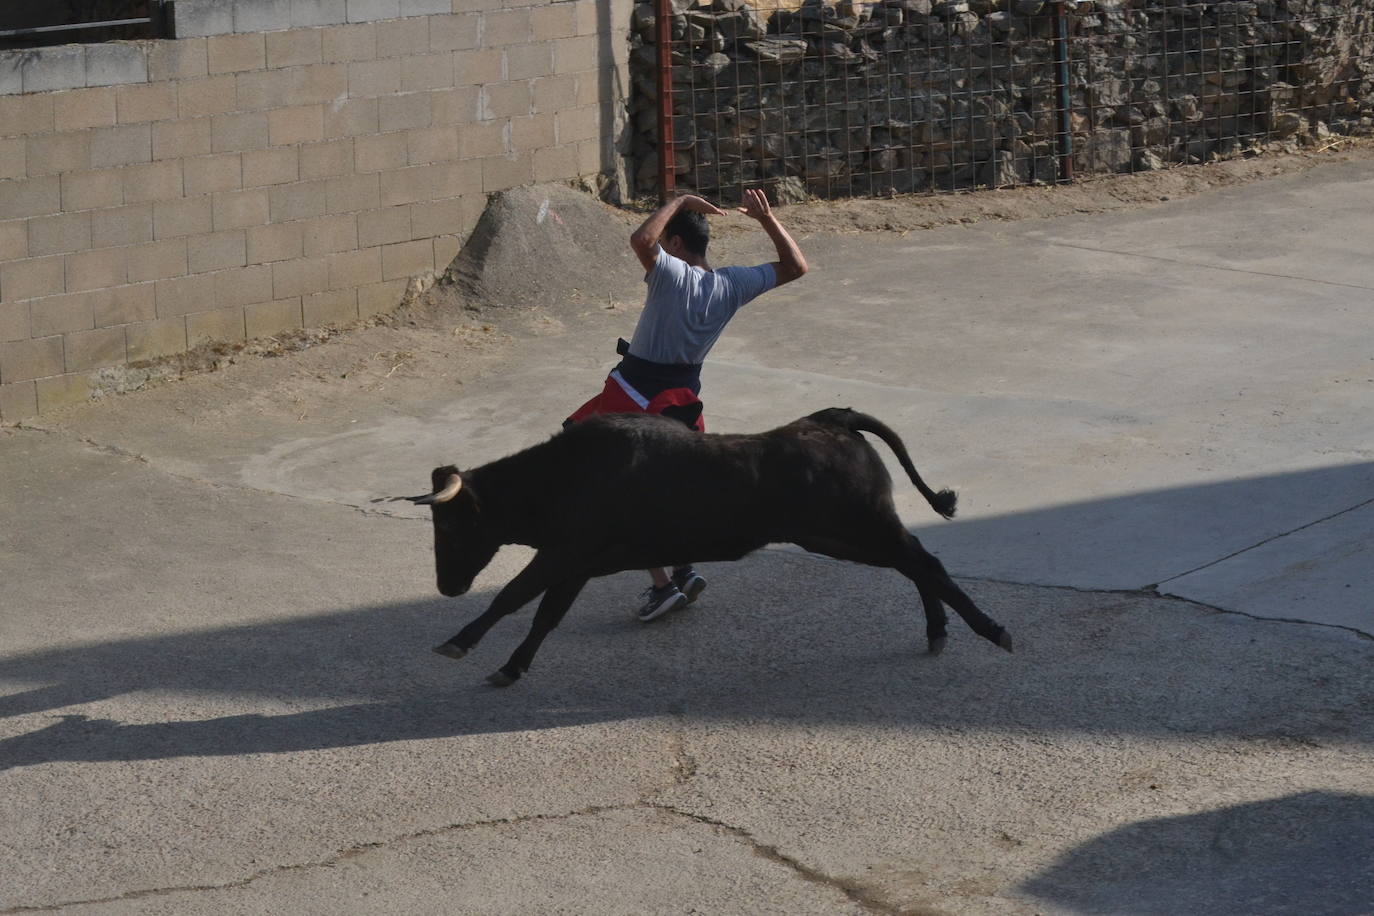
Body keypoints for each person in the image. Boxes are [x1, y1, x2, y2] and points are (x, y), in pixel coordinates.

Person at [564, 188, 809, 621]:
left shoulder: (670, 274)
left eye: (668, 242)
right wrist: (766, 219)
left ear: (675, 245)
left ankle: (663, 587)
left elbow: (641, 240)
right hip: (682, 402)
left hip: (634, 395)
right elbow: (796, 266)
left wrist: (679, 201)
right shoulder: (731, 284)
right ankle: (684, 568)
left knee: (613, 490)